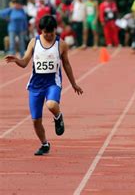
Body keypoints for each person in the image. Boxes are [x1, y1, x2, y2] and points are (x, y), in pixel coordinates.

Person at [4, 15, 83, 156]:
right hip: (35, 85)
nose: (48, 35)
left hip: (52, 83)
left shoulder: (61, 44)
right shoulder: (34, 42)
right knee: (35, 120)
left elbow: (66, 65)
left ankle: (58, 117)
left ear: (55, 30)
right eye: (45, 32)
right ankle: (44, 144)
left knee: (51, 105)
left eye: (51, 33)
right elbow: (24, 63)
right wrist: (16, 59)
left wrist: (74, 84)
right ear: (41, 31)